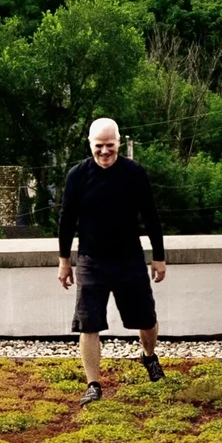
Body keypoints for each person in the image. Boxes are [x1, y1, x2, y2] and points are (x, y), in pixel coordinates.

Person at [56, 118, 167, 403]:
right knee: (88, 324)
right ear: (90, 144)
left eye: (110, 145)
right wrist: (64, 260)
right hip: (91, 260)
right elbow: (66, 220)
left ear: (118, 142)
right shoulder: (77, 176)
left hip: (130, 259)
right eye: (99, 146)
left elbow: (151, 216)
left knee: (147, 320)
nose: (104, 151)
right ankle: (93, 384)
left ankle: (149, 356)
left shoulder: (134, 173)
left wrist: (159, 257)